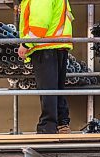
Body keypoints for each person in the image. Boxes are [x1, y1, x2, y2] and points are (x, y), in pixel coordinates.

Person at [18, 0, 74, 134]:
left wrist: (26, 44)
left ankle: (47, 127)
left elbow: (40, 23)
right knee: (57, 89)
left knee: (48, 89)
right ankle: (62, 123)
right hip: (58, 45)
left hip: (45, 46)